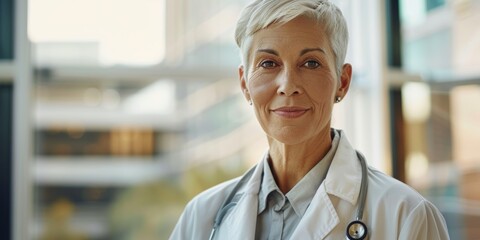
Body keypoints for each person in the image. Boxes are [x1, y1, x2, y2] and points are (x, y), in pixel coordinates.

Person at [170, 0, 450, 239]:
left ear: (342, 81)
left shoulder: (406, 215)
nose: (288, 84)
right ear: (244, 84)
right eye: (269, 63)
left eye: (311, 63)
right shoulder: (201, 217)